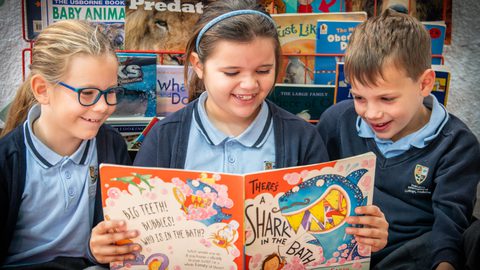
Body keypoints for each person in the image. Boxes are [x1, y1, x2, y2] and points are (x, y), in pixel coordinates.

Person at [95, 0, 387, 265]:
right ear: (198, 66)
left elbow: (326, 233)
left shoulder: (302, 139)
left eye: (263, 71)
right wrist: (112, 244)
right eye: (232, 73)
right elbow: (136, 235)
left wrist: (361, 234)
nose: (248, 85)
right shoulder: (165, 138)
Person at [316, 9, 480, 270]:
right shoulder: (336, 122)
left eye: (387, 98)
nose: (371, 113)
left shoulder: (457, 144)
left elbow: (449, 227)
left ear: (424, 84)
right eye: (359, 97)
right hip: (346, 251)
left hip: (419, 255)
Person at [0, 20, 132, 268]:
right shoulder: (7, 162)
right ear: (42, 90)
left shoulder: (112, 146)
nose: (104, 106)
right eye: (87, 93)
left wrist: (101, 250)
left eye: (110, 91)